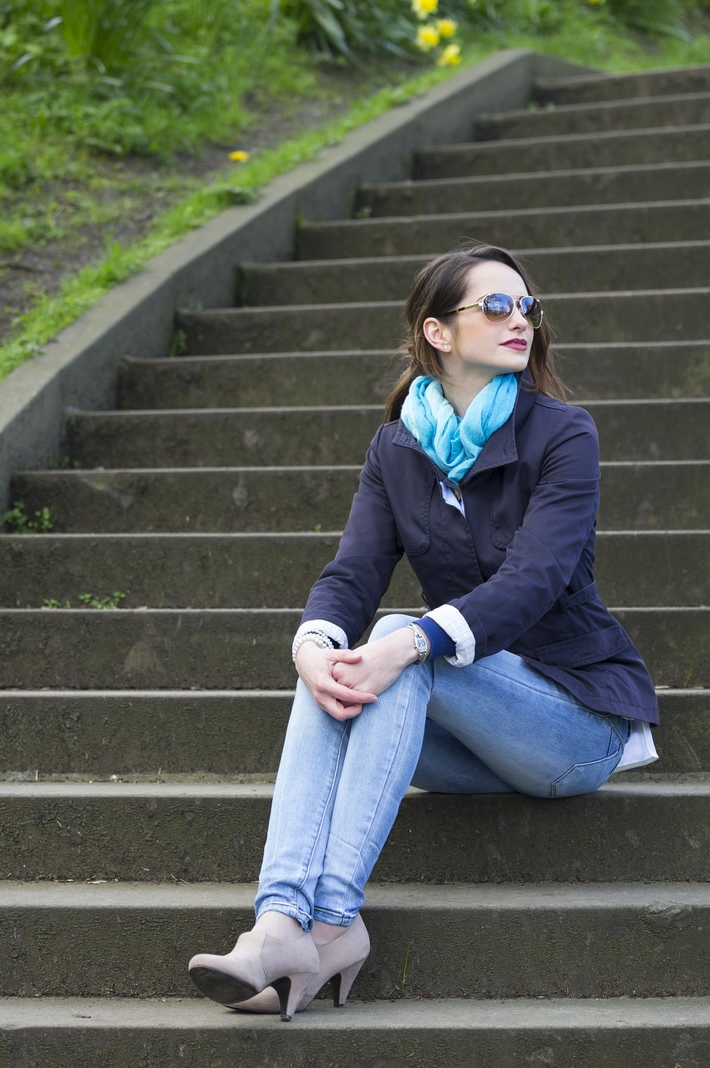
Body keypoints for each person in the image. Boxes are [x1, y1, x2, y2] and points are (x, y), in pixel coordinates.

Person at [187, 242, 660, 1020]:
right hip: (469, 741)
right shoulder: (396, 448)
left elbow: (533, 582)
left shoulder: (563, 435)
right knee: (342, 661)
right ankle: (282, 923)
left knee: (402, 638)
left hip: (573, 725)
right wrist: (311, 646)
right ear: (438, 333)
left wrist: (408, 641)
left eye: (527, 307)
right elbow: (352, 573)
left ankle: (330, 920)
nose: (522, 321)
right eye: (497, 307)